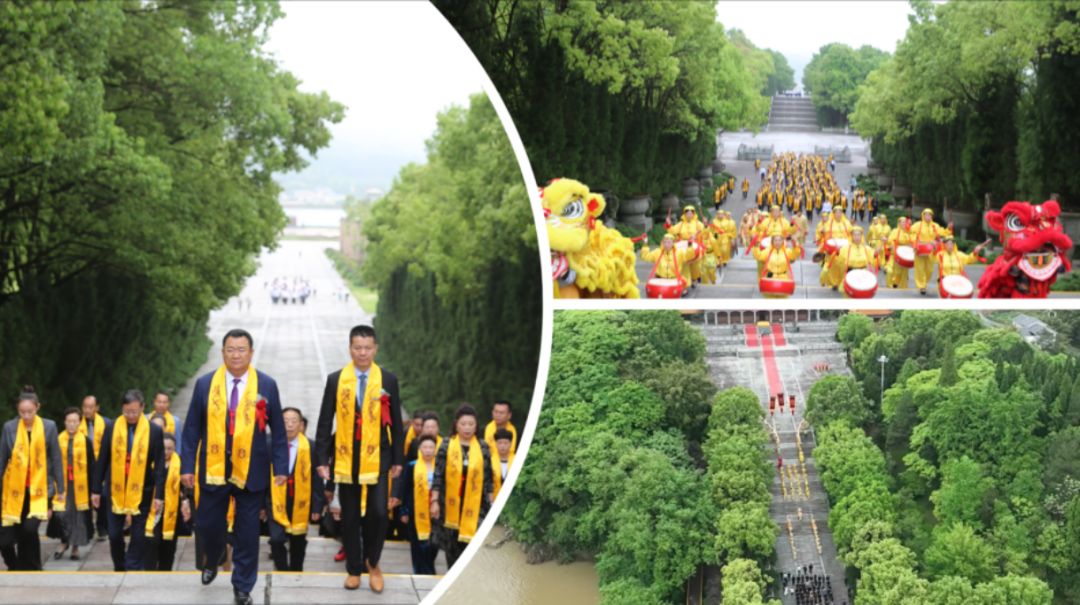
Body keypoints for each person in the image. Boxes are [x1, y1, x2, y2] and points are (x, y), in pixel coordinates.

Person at [180, 329, 288, 605]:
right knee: (207, 524)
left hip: (252, 470)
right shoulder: (205, 384)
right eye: (231, 349)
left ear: (251, 353)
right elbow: (192, 428)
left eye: (242, 349)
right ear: (223, 352)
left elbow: (278, 431)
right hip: (214, 468)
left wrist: (281, 468)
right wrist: (187, 466)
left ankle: (242, 586)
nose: (236, 354)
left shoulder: (266, 384)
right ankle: (212, 558)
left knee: (248, 531)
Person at [314, 325, 404, 593]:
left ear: (375, 348)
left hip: (379, 456)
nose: (362, 353)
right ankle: (354, 569)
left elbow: (397, 424)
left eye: (367, 348)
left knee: (378, 512)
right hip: (346, 457)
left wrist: (398, 458)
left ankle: (373, 562)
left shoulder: (387, 380)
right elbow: (323, 422)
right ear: (350, 348)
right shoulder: (336, 380)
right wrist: (321, 458)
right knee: (350, 516)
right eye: (357, 347)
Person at [91, 389, 165, 572]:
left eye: (134, 411)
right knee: (115, 535)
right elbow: (102, 460)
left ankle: (132, 566)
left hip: (142, 490)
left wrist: (159, 495)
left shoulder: (154, 431)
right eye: (126, 411)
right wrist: (95, 490)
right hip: (115, 489)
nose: (130, 415)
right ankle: (119, 566)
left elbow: (160, 465)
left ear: (142, 408)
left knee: (138, 535)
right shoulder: (112, 427)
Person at [0, 387, 63, 570]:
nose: (26, 416)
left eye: (30, 411)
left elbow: (56, 458)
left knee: (29, 530)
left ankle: (33, 567)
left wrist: (60, 490)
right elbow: (3, 459)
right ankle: (16, 566)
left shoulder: (49, 426)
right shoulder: (9, 428)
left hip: (40, 490)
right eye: (22, 412)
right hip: (14, 491)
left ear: (37, 408)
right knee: (8, 538)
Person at [431, 404, 493, 567]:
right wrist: (434, 501)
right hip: (450, 503)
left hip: (475, 503)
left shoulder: (483, 447)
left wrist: (492, 502)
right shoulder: (446, 445)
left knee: (472, 547)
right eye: (463, 424)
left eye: (471, 424)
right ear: (456, 425)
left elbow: (488, 478)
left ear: (476, 426)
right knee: (451, 546)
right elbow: (438, 474)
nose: (467, 428)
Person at [265, 407, 323, 572]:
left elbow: (316, 479)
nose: (289, 425)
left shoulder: (311, 447)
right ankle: (282, 568)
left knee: (298, 540)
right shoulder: (270, 445)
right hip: (275, 500)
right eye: (285, 421)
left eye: (293, 421)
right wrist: (262, 505)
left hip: (300, 501)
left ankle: (296, 569)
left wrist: (317, 506)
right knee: (276, 539)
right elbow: (262, 476)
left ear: (301, 425)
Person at [52, 407, 94, 561]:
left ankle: (75, 546)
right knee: (63, 513)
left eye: (75, 421)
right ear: (64, 422)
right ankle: (64, 542)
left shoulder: (86, 441)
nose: (71, 424)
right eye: (69, 421)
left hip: (80, 484)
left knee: (78, 515)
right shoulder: (57, 439)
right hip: (62, 484)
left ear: (79, 422)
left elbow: (92, 465)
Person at [395, 434, 440, 575]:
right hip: (416, 509)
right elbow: (405, 489)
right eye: (425, 447)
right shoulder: (412, 466)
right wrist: (404, 511)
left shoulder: (439, 467)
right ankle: (423, 572)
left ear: (435, 449)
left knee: (433, 544)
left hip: (434, 510)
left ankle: (428, 567)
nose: (428, 450)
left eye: (431, 447)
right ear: (420, 448)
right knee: (418, 543)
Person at [143, 433, 188, 570]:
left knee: (168, 546)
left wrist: (185, 498)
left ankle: (165, 572)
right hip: (153, 509)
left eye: (170, 448)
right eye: (164, 448)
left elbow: (186, 486)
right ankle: (149, 571)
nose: (166, 452)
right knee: (152, 542)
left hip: (172, 510)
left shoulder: (180, 463)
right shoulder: (150, 462)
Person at [78, 394, 111, 541]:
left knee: (102, 496)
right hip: (83, 466)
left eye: (90, 407)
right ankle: (87, 528)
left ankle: (102, 527)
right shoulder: (76, 423)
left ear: (97, 408)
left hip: (101, 465)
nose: (87, 410)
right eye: (85, 407)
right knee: (85, 497)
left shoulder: (106, 423)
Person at [909, 208, 953, 295]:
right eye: (926, 215)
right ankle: (922, 286)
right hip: (920, 250)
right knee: (920, 269)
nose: (928, 216)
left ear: (932, 216)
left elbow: (944, 232)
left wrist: (948, 228)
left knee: (929, 270)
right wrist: (916, 242)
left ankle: (924, 282)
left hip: (931, 251)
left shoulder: (935, 226)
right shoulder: (918, 225)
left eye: (930, 215)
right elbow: (910, 233)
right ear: (923, 216)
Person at [827, 226, 878, 293]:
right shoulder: (846, 248)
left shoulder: (866, 248)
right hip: (849, 273)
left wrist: (880, 247)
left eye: (858, 235)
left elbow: (873, 256)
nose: (857, 237)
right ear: (852, 236)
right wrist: (837, 252)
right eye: (855, 235)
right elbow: (838, 260)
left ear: (861, 236)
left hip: (862, 274)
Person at [490, 428, 515, 500]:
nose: (502, 446)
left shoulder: (516, 459)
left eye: (505, 443)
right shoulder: (490, 461)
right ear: (496, 444)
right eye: (500, 443)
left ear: (510, 444)